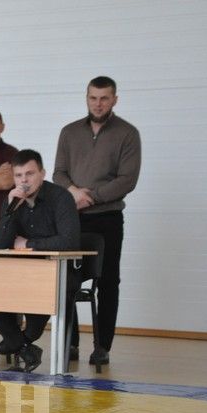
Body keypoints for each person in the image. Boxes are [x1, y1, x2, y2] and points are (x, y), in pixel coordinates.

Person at [53, 76, 141, 366]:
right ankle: (71, 343)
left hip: (108, 219)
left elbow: (128, 179)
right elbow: (59, 173)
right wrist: (73, 194)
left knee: (108, 281)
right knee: (66, 280)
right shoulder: (69, 132)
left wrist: (92, 196)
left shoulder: (128, 133)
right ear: (86, 97)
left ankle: (102, 346)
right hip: (72, 217)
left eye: (104, 98)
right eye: (93, 98)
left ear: (114, 99)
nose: (98, 103)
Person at [0, 149, 81, 372]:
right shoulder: (13, 200)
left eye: (29, 174)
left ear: (42, 173)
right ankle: (24, 347)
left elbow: (69, 240)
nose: (24, 181)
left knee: (39, 303)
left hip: (56, 272)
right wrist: (10, 211)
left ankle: (18, 341)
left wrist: (29, 244)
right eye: (18, 176)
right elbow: (0, 243)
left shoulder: (61, 198)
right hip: (21, 273)